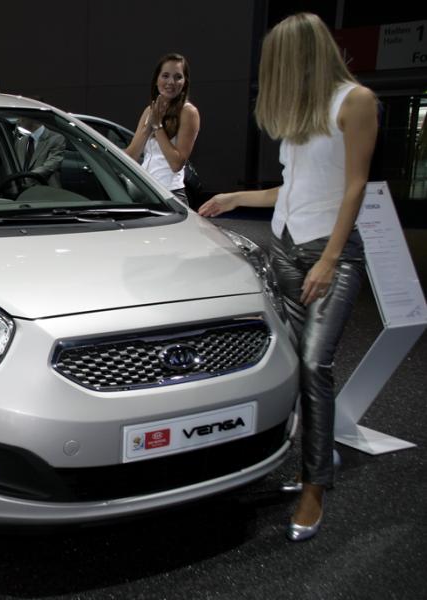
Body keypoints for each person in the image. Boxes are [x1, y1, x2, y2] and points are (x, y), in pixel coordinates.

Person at [198, 13, 378, 542]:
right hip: (285, 249)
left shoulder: (356, 101)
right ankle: (312, 459)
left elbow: (355, 186)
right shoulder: (302, 112)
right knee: (294, 367)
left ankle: (314, 485)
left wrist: (330, 259)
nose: (273, 71)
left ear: (305, 53)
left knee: (316, 365)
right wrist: (236, 197)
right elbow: (294, 188)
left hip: (330, 254)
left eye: (279, 59)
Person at [125, 53, 200, 203]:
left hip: (169, 195)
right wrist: (148, 128)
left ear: (185, 82)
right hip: (143, 191)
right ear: (156, 80)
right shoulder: (149, 111)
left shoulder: (188, 112)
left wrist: (158, 127)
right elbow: (131, 157)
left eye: (178, 77)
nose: (171, 82)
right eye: (165, 76)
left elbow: (176, 164)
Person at [15, 116, 66, 187]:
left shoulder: (56, 138)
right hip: (22, 190)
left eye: (22, 118)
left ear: (33, 119)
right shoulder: (22, 141)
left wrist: (27, 177)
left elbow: (52, 165)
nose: (18, 121)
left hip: (45, 189)